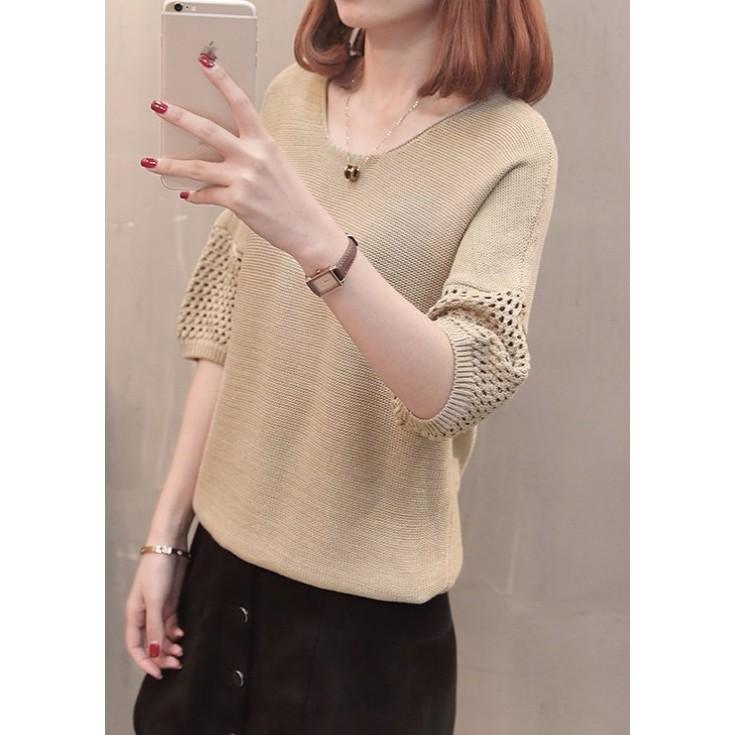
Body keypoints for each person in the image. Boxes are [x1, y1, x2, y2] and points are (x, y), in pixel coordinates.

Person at [127, 0, 558, 733]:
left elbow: (461, 383)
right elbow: (225, 336)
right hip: (218, 574)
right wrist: (166, 538)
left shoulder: (510, 144)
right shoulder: (287, 100)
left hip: (365, 625)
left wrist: (317, 240)